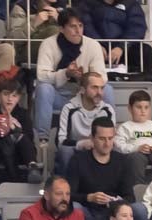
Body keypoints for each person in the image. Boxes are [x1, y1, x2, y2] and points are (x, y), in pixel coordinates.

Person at [33, 8, 112, 141]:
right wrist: (66, 73)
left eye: (80, 26)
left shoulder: (93, 45)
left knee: (108, 89)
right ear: (62, 29)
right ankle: (43, 139)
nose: (78, 30)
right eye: (73, 26)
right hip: (58, 95)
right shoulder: (48, 44)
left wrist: (84, 79)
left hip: (84, 95)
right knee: (43, 89)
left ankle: (110, 134)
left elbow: (102, 77)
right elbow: (41, 75)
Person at [67, 118, 149, 220]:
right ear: (92, 138)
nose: (107, 143)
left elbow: (130, 197)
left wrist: (115, 202)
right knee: (74, 208)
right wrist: (89, 198)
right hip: (89, 211)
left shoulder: (122, 161)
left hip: (116, 213)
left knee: (139, 209)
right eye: (102, 139)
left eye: (110, 138)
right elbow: (69, 195)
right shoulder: (78, 160)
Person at [55, 72, 117, 174]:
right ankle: (68, 187)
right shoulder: (69, 109)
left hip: (99, 150)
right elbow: (61, 141)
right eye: (95, 88)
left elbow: (111, 138)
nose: (99, 92)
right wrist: (82, 144)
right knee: (65, 151)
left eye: (102, 88)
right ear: (83, 90)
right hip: (76, 151)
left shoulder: (108, 110)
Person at [0, 79, 36, 194]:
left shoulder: (23, 114)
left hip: (19, 152)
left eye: (14, 95)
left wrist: (16, 129)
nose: (10, 99)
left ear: (19, 97)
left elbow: (29, 138)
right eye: (6, 94)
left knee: (22, 138)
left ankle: (32, 168)